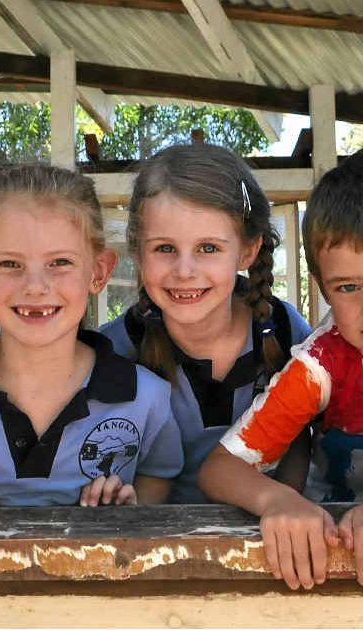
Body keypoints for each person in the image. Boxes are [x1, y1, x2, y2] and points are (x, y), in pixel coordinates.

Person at [199, 148, 363, 591]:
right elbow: (219, 469)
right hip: (333, 548)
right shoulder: (320, 366)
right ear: (324, 290)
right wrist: (278, 500)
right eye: (348, 287)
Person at [0, 164, 183, 508]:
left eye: (59, 262)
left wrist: (130, 517)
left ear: (99, 272)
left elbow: (159, 473)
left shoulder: (145, 397)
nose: (35, 287)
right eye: (10, 264)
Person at [100, 144, 312, 504]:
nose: (185, 271)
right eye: (165, 248)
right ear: (137, 250)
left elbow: (308, 441)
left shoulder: (286, 332)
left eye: (208, 248)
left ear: (247, 250)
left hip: (273, 538)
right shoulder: (111, 353)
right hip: (151, 545)